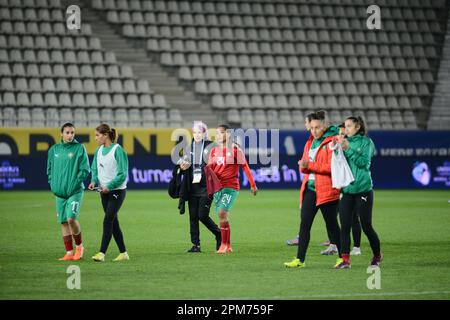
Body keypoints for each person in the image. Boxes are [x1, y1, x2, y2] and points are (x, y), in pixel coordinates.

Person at [284, 111, 342, 268]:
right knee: (304, 224)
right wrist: (303, 166)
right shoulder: (309, 143)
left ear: (324, 126)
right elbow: (305, 167)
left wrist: (308, 165)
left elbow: (332, 167)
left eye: (318, 127)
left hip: (327, 190)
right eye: (312, 128)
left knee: (332, 225)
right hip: (310, 189)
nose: (314, 131)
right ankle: (300, 260)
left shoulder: (332, 142)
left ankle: (343, 258)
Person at [335, 117, 382, 269]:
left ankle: (377, 255)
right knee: (345, 226)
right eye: (345, 126)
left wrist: (348, 148)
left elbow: (363, 163)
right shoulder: (343, 142)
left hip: (363, 190)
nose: (346, 129)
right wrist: (336, 148)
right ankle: (345, 260)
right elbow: (338, 164)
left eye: (349, 126)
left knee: (366, 226)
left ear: (357, 126)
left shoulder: (366, 142)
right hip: (347, 190)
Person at [207, 124, 258, 254]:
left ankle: (223, 245)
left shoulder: (235, 149)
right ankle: (228, 245)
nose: (219, 135)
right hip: (218, 188)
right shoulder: (213, 151)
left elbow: (245, 166)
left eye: (222, 133)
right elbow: (209, 168)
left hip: (230, 187)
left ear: (228, 134)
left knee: (222, 213)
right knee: (222, 216)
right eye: (217, 133)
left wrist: (252, 184)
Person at [47, 122, 90, 261]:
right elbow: (49, 170)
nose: (70, 135)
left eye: (72, 132)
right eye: (67, 132)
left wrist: (75, 184)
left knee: (71, 219)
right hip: (60, 193)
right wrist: (53, 185)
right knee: (64, 222)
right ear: (61, 133)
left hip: (75, 191)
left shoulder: (79, 148)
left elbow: (85, 170)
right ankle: (69, 252)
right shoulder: (54, 150)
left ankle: (79, 247)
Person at [320, 123, 363, 256]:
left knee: (353, 217)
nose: (341, 136)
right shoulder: (337, 146)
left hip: (352, 186)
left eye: (343, 133)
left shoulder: (353, 147)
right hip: (339, 186)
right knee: (332, 217)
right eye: (339, 133)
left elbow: (359, 164)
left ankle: (356, 247)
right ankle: (334, 244)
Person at [179, 121, 221, 253]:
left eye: (199, 132)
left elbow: (217, 164)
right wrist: (183, 166)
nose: (197, 135)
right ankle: (195, 245)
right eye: (195, 132)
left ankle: (219, 234)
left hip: (206, 186)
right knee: (193, 217)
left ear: (204, 133)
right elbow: (185, 163)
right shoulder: (188, 147)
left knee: (202, 215)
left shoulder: (212, 146)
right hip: (192, 187)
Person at [89, 124, 129, 262]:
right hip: (103, 191)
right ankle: (123, 253)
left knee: (107, 220)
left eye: (97, 135)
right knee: (113, 222)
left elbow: (123, 174)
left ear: (105, 135)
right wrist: (94, 181)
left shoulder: (118, 150)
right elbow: (94, 169)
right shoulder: (98, 151)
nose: (95, 138)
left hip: (117, 191)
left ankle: (102, 253)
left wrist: (110, 186)